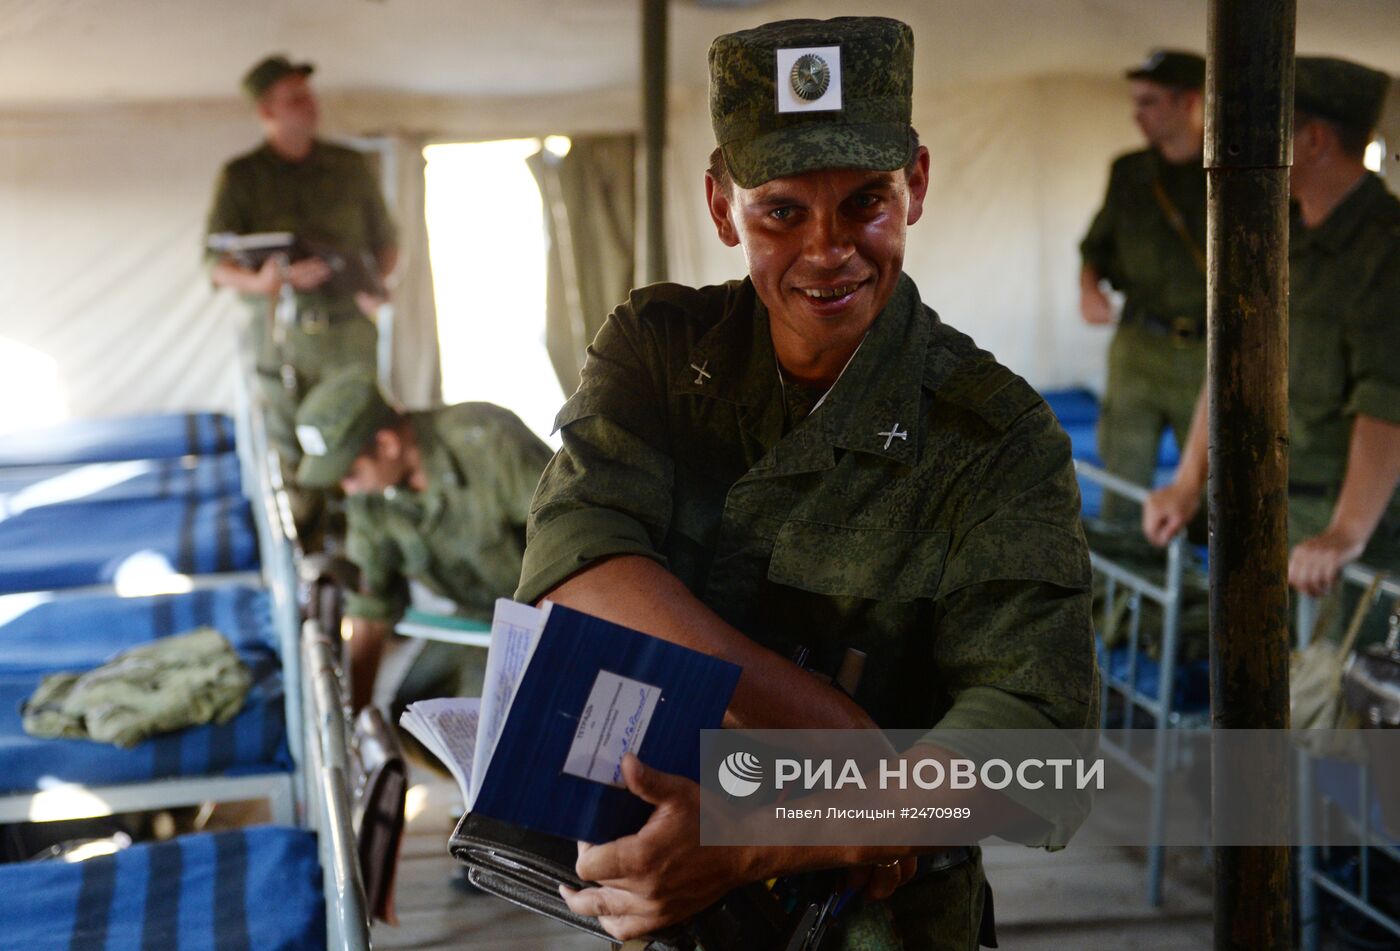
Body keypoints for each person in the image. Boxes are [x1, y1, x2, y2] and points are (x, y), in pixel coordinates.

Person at [516, 17, 1097, 949]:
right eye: (782, 211)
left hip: (882, 924)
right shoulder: (659, 353)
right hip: (659, 903)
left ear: (917, 185)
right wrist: (832, 728)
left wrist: (757, 833)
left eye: (866, 201)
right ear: (720, 206)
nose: (829, 250)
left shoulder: (995, 436)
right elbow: (578, 565)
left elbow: (1036, 748)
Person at [1143, 56, 1400, 601]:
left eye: (1267, 130)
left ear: (1314, 140)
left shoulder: (1386, 249)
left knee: (1329, 681)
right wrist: (1188, 484)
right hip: (1267, 497)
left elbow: (1388, 402)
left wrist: (1345, 534)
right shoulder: (1279, 231)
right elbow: (1229, 362)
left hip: (1344, 521)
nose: (1250, 145)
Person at [205, 54, 398, 536]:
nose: (309, 106)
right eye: (295, 99)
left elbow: (387, 243)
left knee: (362, 440)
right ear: (267, 112)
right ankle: (313, 562)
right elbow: (215, 264)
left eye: (308, 95)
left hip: (349, 334)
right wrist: (264, 282)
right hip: (283, 340)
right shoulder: (242, 177)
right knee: (296, 453)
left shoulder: (349, 166)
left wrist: (375, 287)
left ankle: (371, 555)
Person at [294, 372, 552, 712]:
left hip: (553, 614)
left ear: (387, 444)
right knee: (411, 712)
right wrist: (351, 722)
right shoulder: (370, 503)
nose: (348, 489)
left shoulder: (488, 442)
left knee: (498, 727)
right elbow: (371, 611)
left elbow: (575, 534)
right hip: (481, 619)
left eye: (350, 474)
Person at [1079, 50, 1207, 521]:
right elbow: (1095, 246)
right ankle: (1126, 589)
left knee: (1212, 484)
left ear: (1189, 100)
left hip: (1207, 352)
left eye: (1150, 101)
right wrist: (1088, 288)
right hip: (1138, 344)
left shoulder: (1233, 176)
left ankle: (1202, 590)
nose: (1138, 114)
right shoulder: (1130, 173)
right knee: (1122, 476)